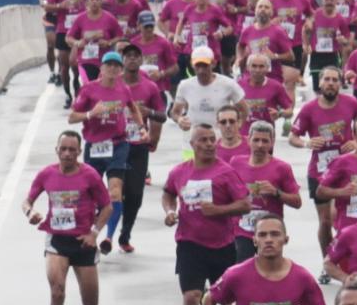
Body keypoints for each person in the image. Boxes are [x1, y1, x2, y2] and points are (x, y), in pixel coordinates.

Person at [162, 125, 251, 305]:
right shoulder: (180, 172)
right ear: (193, 144)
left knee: (224, 301)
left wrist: (219, 211)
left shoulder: (226, 172)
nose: (210, 144)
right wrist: (169, 211)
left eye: (213, 139)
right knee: (190, 297)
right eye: (204, 140)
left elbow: (245, 204)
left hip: (222, 246)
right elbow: (168, 194)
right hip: (189, 244)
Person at [22, 132, 111, 305]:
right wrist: (31, 213)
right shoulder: (47, 174)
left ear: (79, 152)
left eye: (73, 150)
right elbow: (27, 201)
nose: (68, 154)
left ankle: (88, 276)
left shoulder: (89, 176)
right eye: (64, 149)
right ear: (57, 150)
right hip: (57, 241)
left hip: (83, 243)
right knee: (57, 292)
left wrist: (94, 232)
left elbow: (107, 206)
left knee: (91, 304)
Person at [289, 66, 357, 276]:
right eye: (327, 79)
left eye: (335, 80)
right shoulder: (309, 109)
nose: (331, 83)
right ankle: (327, 263)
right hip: (319, 172)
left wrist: (355, 142)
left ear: (340, 83)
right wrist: (306, 143)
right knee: (326, 221)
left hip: (347, 169)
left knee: (346, 217)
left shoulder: (352, 103)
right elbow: (294, 137)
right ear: (320, 83)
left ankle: (349, 259)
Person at [67, 51, 144, 234]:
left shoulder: (123, 89)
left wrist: (141, 128)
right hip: (94, 146)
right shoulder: (88, 90)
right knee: (90, 192)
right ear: (101, 68)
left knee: (115, 191)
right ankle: (88, 228)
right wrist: (90, 114)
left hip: (118, 144)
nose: (112, 69)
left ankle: (108, 237)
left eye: (116, 66)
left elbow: (133, 109)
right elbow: (71, 118)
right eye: (108, 65)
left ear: (120, 70)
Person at [114, 45, 167, 251]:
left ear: (141, 59)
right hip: (116, 145)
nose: (133, 60)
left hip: (138, 146)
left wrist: (149, 112)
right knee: (117, 191)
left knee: (135, 195)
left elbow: (163, 115)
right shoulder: (113, 85)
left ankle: (125, 234)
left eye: (136, 56)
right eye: (128, 56)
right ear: (122, 60)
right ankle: (110, 230)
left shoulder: (149, 87)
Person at [228, 120, 303, 261]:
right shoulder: (236, 162)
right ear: (248, 140)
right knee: (242, 268)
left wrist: (276, 192)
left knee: (269, 272)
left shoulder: (282, 168)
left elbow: (297, 202)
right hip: (241, 230)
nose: (260, 145)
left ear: (272, 142)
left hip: (270, 231)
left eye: (265, 141)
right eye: (256, 140)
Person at [45, 0, 90, 107]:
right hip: (63, 30)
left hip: (80, 31)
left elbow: (91, 3)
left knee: (76, 64)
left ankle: (77, 85)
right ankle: (68, 94)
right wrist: (60, 5)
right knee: (64, 66)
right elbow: (48, 7)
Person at [171, 47, 245, 132]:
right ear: (192, 64)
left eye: (205, 65)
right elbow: (175, 112)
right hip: (193, 139)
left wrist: (236, 129)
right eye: (198, 66)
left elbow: (244, 110)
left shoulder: (228, 84)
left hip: (220, 139)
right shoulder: (185, 85)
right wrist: (180, 120)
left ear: (213, 63)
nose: (201, 70)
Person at [65, 0, 124, 85]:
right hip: (86, 60)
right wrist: (77, 43)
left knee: (103, 88)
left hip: (104, 60)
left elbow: (120, 36)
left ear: (101, 1)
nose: (94, 2)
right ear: (87, 2)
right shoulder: (80, 18)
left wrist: (108, 42)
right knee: (89, 85)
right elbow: (68, 38)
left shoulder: (109, 18)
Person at [305, 0, 354, 91]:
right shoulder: (315, 15)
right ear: (322, 1)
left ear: (336, 1)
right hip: (316, 55)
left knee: (332, 87)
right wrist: (305, 45)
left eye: (331, 0)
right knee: (317, 88)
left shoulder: (340, 19)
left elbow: (347, 37)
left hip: (332, 56)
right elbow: (304, 29)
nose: (329, 2)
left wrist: (343, 40)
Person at [238, 53, 294, 129]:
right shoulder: (239, 85)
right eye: (254, 66)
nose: (257, 70)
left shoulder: (276, 86)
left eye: (261, 66)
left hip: (265, 135)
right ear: (248, 67)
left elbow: (290, 111)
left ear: (268, 68)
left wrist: (280, 113)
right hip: (243, 133)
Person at [39, 0, 64, 85]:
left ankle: (60, 73)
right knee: (50, 45)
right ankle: (52, 72)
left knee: (61, 48)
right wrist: (44, 4)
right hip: (49, 18)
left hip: (62, 19)